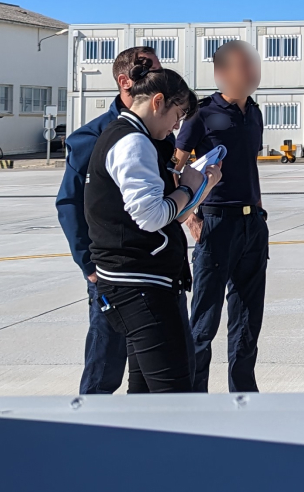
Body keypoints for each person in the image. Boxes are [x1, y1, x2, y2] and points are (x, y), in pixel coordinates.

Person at [85, 64, 220, 393]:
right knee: (173, 393)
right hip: (138, 284)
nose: (177, 125)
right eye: (178, 114)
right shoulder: (133, 143)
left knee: (145, 392)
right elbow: (150, 216)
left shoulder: (126, 135)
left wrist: (199, 189)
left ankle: (141, 442)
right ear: (158, 101)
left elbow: (154, 213)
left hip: (136, 280)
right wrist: (189, 188)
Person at [55, 45, 161, 395]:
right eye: (151, 72)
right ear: (124, 80)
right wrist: (88, 264)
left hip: (153, 267)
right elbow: (69, 203)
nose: (159, 79)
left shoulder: (159, 132)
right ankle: (88, 433)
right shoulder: (91, 138)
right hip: (111, 271)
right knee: (106, 363)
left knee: (152, 367)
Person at [174, 40, 269, 393]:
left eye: (253, 65)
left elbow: (248, 167)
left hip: (252, 226)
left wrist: (258, 212)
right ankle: (194, 397)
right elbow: (175, 167)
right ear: (222, 72)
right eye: (244, 66)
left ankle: (243, 395)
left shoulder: (254, 112)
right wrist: (189, 218)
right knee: (204, 321)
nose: (252, 72)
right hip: (215, 225)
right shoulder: (201, 114)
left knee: (248, 320)